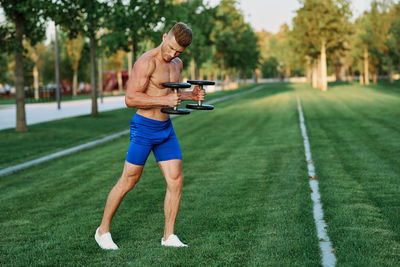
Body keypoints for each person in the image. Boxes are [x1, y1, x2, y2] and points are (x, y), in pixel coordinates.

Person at [94, 22, 205, 250]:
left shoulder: (177, 63)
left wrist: (191, 95)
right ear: (165, 36)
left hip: (165, 130)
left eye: (178, 52)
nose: (173, 54)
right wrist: (165, 100)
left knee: (176, 180)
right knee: (129, 181)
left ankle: (168, 236)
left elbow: (170, 93)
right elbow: (131, 98)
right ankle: (102, 230)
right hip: (144, 128)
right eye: (171, 48)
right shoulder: (146, 62)